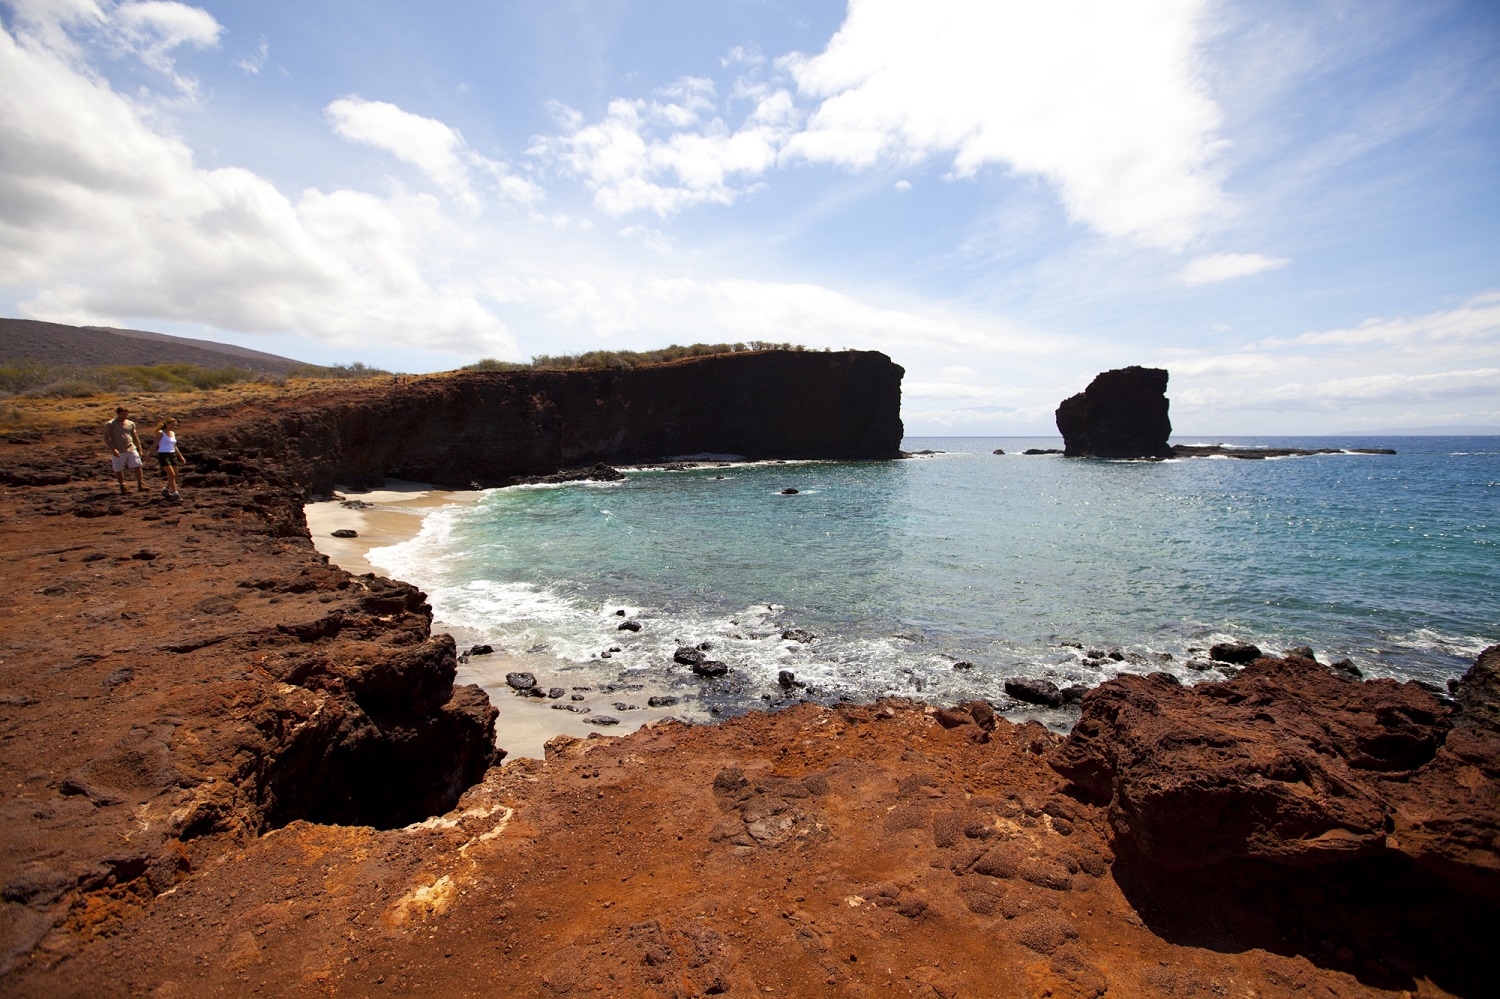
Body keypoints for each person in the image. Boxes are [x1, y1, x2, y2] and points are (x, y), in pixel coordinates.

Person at [104, 405, 145, 495]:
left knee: (137, 465)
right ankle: (122, 486)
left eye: (126, 414)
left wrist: (139, 448)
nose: (125, 416)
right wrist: (113, 449)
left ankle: (140, 484)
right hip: (119, 449)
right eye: (123, 414)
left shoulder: (130, 423)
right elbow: (107, 438)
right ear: (118, 414)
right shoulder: (110, 424)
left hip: (131, 448)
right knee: (119, 469)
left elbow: (134, 436)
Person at [154, 417, 186, 501]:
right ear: (167, 424)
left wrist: (180, 456)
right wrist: (148, 454)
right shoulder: (160, 433)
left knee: (175, 474)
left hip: (172, 454)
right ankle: (176, 493)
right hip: (163, 455)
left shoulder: (172, 433)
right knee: (171, 475)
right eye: (172, 425)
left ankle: (166, 490)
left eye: (174, 425)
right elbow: (154, 444)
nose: (173, 427)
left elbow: (174, 446)